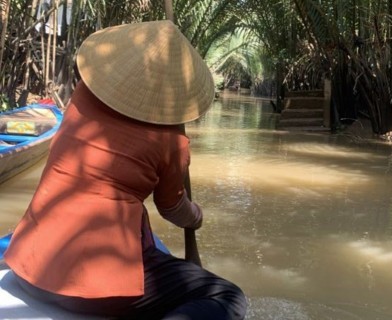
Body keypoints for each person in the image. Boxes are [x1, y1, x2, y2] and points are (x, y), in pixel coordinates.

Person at [4, 20, 247, 319]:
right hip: (89, 288)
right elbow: (172, 207)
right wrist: (195, 216)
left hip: (27, 262)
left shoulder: (82, 96)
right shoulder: (172, 140)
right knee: (227, 295)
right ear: (177, 90)